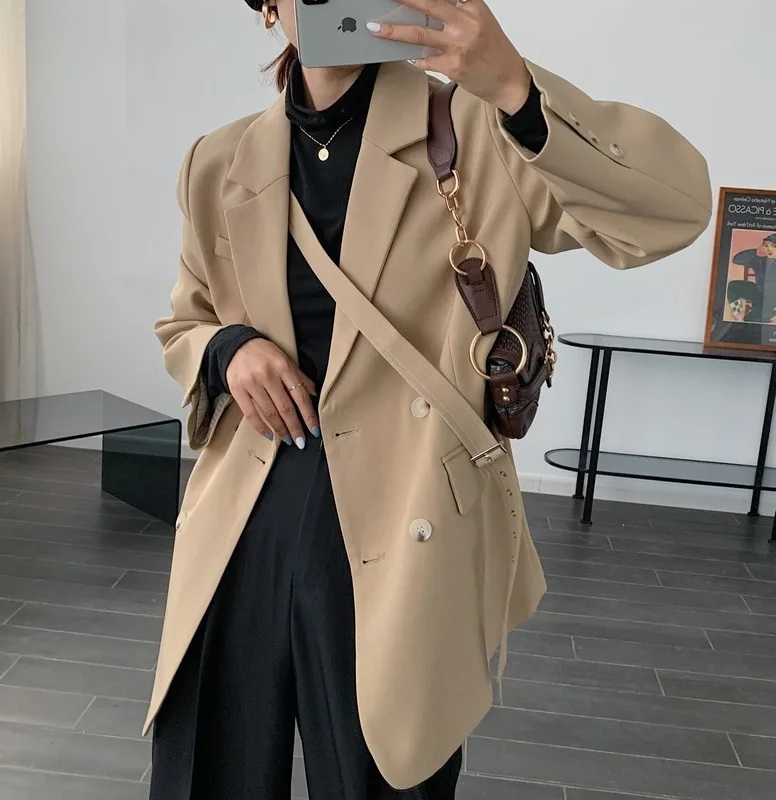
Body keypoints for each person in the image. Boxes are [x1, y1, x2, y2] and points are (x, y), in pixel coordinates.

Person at [146, 1, 712, 797]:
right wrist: (229, 350)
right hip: (243, 514)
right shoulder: (219, 159)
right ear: (269, 7)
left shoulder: (476, 131)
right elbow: (187, 321)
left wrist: (514, 87)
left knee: (384, 770)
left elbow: (671, 212)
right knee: (212, 765)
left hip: (403, 514)